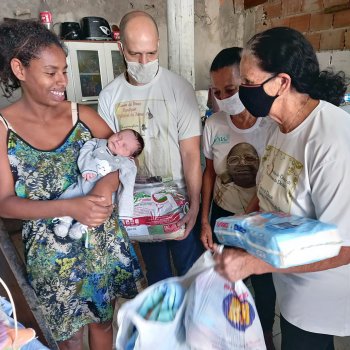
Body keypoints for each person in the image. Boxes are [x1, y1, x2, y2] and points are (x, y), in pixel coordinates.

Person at [0, 20, 143, 350]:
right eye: (51, 73)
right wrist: (69, 206)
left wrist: (104, 189)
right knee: (70, 337)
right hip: (53, 256)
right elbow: (5, 201)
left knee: (104, 322)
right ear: (19, 69)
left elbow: (121, 158)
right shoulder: (4, 128)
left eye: (64, 71)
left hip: (101, 244)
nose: (63, 82)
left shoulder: (82, 115)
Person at [214, 27, 350, 350]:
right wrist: (237, 234)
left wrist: (256, 263)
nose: (242, 92)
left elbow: (343, 247)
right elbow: (267, 197)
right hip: (289, 288)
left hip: (320, 300)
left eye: (248, 83)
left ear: (282, 82)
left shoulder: (331, 140)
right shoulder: (277, 127)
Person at [98, 10, 204, 285]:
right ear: (120, 48)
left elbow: (191, 153)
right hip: (139, 206)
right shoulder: (110, 97)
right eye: (135, 54)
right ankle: (165, 326)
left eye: (151, 53)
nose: (144, 62)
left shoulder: (179, 89)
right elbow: (109, 156)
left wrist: (194, 205)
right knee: (158, 276)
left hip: (179, 203)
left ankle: (193, 327)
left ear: (159, 44)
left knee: (192, 273)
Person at [201, 47, 276, 349]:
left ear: (245, 82)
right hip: (223, 216)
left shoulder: (269, 125)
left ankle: (266, 336)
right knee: (227, 281)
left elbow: (271, 176)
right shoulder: (214, 124)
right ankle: (234, 337)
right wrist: (206, 220)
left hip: (257, 221)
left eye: (230, 89)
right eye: (218, 92)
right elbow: (209, 174)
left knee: (263, 282)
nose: (224, 97)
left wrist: (250, 214)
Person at [53, 129, 144, 240]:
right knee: (70, 195)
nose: (118, 142)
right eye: (119, 136)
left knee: (98, 211)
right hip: (84, 183)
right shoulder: (97, 143)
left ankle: (80, 226)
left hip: (102, 196)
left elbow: (128, 185)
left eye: (124, 146)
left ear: (130, 156)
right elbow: (85, 152)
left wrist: (125, 210)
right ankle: (64, 222)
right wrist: (87, 168)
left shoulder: (126, 163)